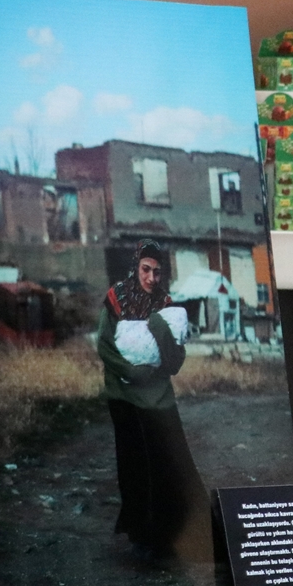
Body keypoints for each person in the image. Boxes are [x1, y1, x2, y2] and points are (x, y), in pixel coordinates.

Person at [97, 239, 212, 563]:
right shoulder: (116, 299)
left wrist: (159, 326)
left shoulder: (166, 305)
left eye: (157, 272)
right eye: (146, 269)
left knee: (171, 465)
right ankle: (141, 538)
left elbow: (174, 361)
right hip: (124, 397)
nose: (151, 277)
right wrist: (130, 372)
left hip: (159, 400)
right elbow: (104, 346)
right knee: (134, 467)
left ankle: (176, 536)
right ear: (136, 267)